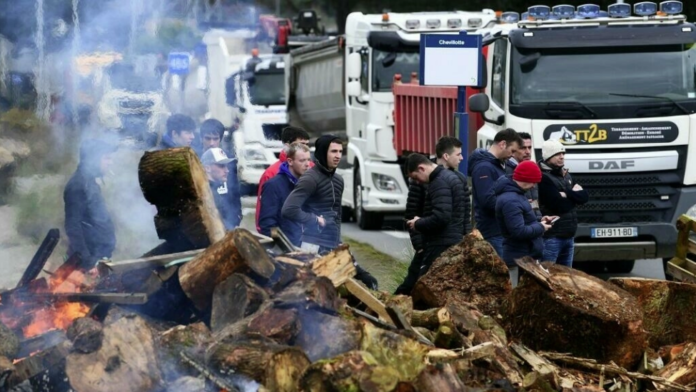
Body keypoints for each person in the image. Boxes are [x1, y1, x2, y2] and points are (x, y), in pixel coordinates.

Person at [282, 135, 378, 288]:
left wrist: (339, 244)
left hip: (332, 244)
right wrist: (315, 220)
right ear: (322, 152)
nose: (338, 156)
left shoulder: (338, 180)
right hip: (312, 247)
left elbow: (337, 216)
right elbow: (288, 209)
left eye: (340, 151)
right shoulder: (310, 179)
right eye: (333, 151)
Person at [406, 153, 466, 276]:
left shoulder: (438, 183)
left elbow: (441, 217)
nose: (418, 183)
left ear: (422, 168)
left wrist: (418, 223)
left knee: (423, 283)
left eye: (416, 178)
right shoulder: (451, 177)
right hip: (453, 239)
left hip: (441, 244)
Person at [467, 129, 523, 258]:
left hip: (501, 229)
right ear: (502, 144)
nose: (513, 155)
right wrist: (513, 205)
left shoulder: (499, 165)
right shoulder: (484, 168)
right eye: (512, 150)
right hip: (492, 231)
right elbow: (488, 201)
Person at [494, 160, 553, 281]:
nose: (534, 186)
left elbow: (523, 219)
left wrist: (540, 219)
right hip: (518, 260)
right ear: (526, 179)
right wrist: (541, 227)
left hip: (525, 258)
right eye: (534, 182)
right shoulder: (511, 200)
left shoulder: (518, 195)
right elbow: (518, 231)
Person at [64, 138, 117, 270]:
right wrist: (88, 263)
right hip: (88, 264)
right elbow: (73, 227)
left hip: (98, 258)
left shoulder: (90, 182)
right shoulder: (78, 185)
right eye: (107, 158)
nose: (111, 162)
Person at [538, 140, 589, 267]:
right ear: (548, 157)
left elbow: (584, 197)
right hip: (552, 237)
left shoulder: (566, 175)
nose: (562, 157)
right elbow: (559, 205)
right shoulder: (543, 177)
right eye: (557, 154)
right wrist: (574, 195)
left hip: (569, 236)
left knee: (566, 279)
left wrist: (566, 194)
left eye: (563, 153)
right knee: (548, 276)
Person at [256, 126, 312, 231]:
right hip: (285, 242)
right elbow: (265, 218)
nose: (307, 164)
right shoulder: (271, 174)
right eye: (300, 145)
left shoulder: (312, 170)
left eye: (307, 145)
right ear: (287, 146)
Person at [258, 143, 311, 247]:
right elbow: (267, 224)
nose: (307, 164)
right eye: (302, 160)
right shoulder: (273, 185)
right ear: (290, 161)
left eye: (308, 159)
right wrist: (282, 248)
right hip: (285, 250)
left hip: (308, 247)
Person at [197, 118, 242, 227]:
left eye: (215, 139)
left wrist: (237, 214)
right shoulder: (195, 159)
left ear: (220, 139)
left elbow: (235, 189)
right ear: (201, 138)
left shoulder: (228, 158)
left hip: (227, 216)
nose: (211, 143)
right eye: (208, 138)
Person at [394, 177, 426, 295]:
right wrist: (419, 245)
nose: (461, 157)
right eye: (458, 156)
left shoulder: (453, 178)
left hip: (437, 241)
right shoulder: (420, 179)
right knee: (412, 280)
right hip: (424, 242)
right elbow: (411, 215)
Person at [435, 136, 473, 235]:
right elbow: (414, 212)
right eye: (458, 154)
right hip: (434, 240)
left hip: (456, 238)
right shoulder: (427, 177)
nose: (462, 158)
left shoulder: (460, 178)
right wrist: (420, 246)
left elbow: (465, 211)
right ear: (446, 156)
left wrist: (467, 235)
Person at [201, 147, 242, 230]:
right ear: (207, 168)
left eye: (226, 166)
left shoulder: (212, 189)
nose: (227, 170)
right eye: (221, 166)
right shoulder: (206, 193)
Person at [506, 132, 540, 219]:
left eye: (529, 147)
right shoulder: (507, 171)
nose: (528, 152)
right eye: (523, 148)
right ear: (513, 150)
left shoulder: (532, 168)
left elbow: (535, 201)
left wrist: (539, 219)